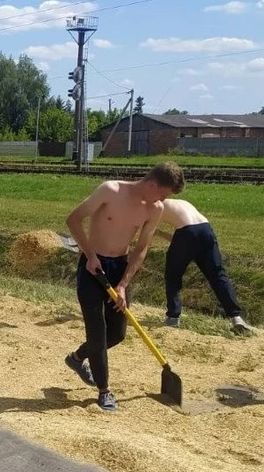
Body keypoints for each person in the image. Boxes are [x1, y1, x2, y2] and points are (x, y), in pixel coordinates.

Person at [63, 162, 185, 411]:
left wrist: (123, 284)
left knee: (117, 333)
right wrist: (90, 256)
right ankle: (104, 390)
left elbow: (141, 249)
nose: (163, 199)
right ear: (152, 184)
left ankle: (77, 357)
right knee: (97, 331)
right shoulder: (110, 191)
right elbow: (73, 220)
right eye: (163, 193)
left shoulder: (155, 208)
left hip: (119, 268)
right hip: (91, 266)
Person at [156, 198, 251, 334]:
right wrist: (159, 233)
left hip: (186, 233)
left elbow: (184, 239)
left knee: (173, 275)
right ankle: (236, 318)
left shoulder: (155, 205)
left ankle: (173, 317)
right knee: (218, 274)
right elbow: (186, 239)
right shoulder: (181, 203)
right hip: (206, 229)